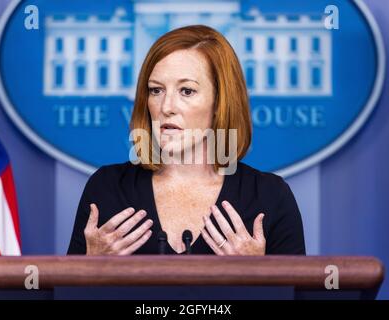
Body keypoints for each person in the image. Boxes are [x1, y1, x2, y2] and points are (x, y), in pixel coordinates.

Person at [67, 25, 305, 255]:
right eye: (156, 90)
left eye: (186, 91)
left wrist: (261, 276)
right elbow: (66, 295)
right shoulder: (107, 188)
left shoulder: (270, 196)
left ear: (220, 103)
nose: (166, 107)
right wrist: (90, 267)